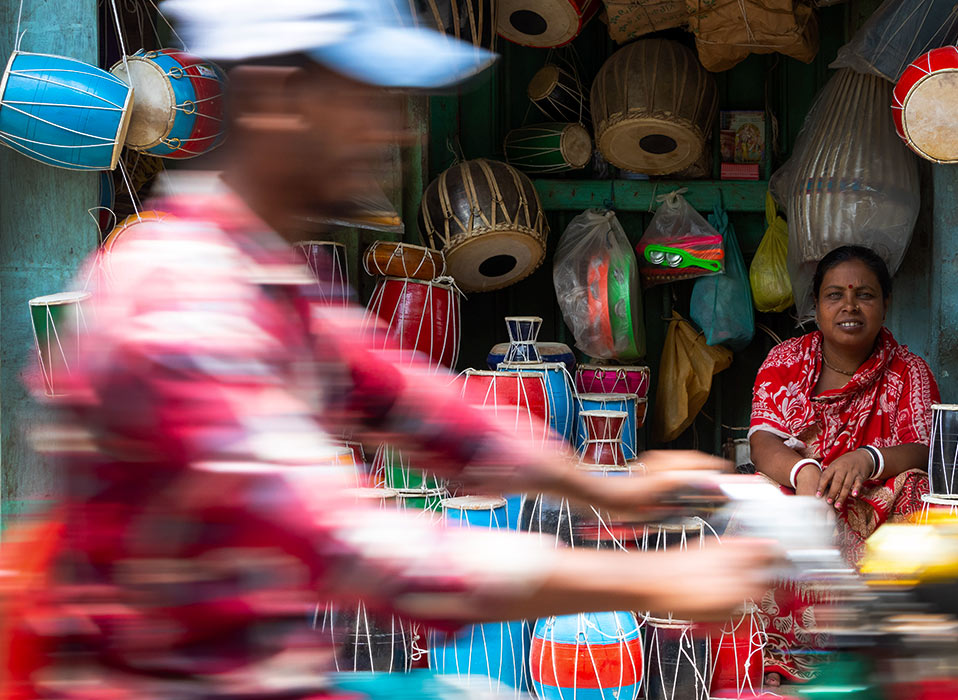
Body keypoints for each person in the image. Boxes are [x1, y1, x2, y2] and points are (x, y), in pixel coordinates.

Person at [0, 3, 777, 699]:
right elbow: (362, 549)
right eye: (364, 100)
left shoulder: (258, 273)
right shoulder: (175, 301)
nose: (390, 130)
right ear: (280, 101)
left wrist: (605, 490)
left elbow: (414, 404)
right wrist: (647, 579)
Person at [747, 245, 941, 684]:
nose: (850, 306)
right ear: (816, 306)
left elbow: (926, 447)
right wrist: (803, 474)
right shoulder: (785, 362)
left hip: (870, 502)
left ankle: (879, 650)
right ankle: (774, 651)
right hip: (800, 495)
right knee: (753, 497)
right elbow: (762, 441)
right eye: (835, 295)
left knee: (915, 488)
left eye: (865, 295)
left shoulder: (910, 372)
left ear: (885, 304)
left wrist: (868, 459)